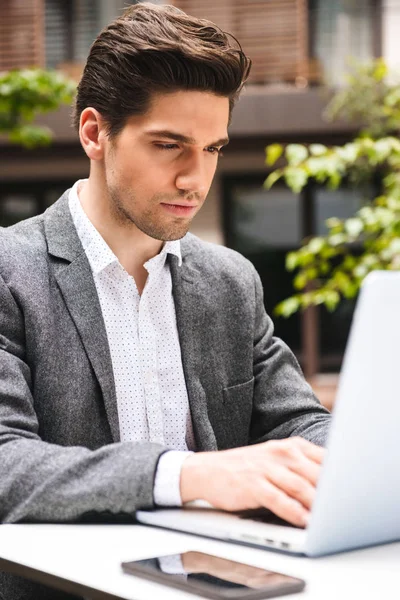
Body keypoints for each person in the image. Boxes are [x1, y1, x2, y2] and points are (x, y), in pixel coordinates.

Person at [0, 3, 330, 598]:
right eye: (169, 145)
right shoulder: (9, 272)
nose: (195, 179)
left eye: (212, 149)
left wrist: (357, 467)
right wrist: (190, 474)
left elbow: (299, 423)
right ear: (95, 133)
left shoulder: (231, 281)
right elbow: (6, 468)